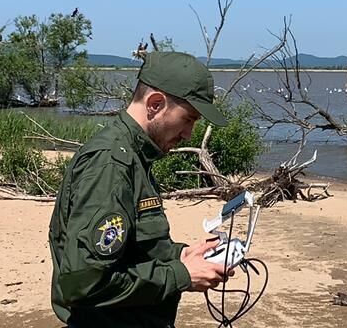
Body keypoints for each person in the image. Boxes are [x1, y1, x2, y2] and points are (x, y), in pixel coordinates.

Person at [48, 51, 233, 327]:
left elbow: (132, 250)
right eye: (188, 119)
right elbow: (84, 282)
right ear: (155, 104)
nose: (188, 134)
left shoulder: (135, 157)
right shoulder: (110, 164)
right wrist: (181, 276)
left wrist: (180, 255)